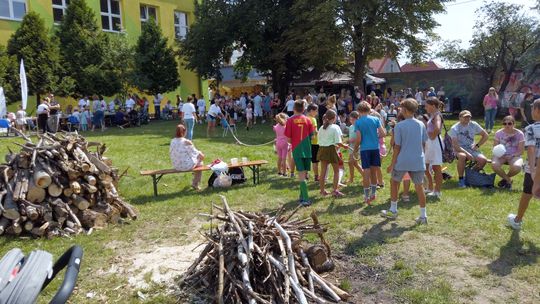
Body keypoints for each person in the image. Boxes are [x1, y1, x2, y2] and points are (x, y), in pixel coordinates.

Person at [383, 98, 428, 224]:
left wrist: (392, 164)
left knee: (394, 182)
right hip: (418, 160)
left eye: (401, 108)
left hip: (402, 160)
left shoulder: (399, 126)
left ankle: (393, 210)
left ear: (406, 110)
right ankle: (423, 216)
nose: (400, 110)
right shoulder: (421, 124)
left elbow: (397, 147)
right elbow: (424, 143)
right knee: (419, 187)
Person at [508, 99, 540, 229]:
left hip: (535, 167)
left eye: (532, 109)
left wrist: (532, 170)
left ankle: (517, 220)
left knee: (527, 193)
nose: (531, 111)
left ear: (537, 111)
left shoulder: (531, 128)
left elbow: (531, 149)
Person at [354, 101, 386, 204]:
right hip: (375, 148)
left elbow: (358, 138)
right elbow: (383, 133)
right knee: (374, 172)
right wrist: (375, 138)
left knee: (366, 172)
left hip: (365, 149)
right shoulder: (376, 119)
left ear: (358, 111)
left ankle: (366, 196)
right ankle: (373, 194)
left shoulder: (358, 122)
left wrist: (355, 149)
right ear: (369, 109)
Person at [284, 100, 315, 206]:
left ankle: (305, 199)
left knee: (301, 175)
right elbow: (313, 136)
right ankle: (302, 196)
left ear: (294, 109)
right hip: (307, 149)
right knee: (305, 173)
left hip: (297, 149)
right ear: (304, 109)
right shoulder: (308, 120)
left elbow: (288, 139)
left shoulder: (290, 120)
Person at [450, 110, 489, 188]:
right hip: (459, 149)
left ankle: (470, 176)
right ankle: (461, 179)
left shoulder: (473, 124)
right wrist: (467, 154)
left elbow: (485, 135)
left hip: (471, 148)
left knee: (483, 160)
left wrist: (477, 145)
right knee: (462, 156)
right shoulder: (454, 128)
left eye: (469, 117)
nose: (467, 119)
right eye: (465, 117)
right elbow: (455, 145)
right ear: (460, 118)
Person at [317, 110, 349, 197]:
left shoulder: (321, 128)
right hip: (331, 149)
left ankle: (322, 191)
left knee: (323, 171)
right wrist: (344, 146)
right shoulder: (334, 128)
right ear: (334, 118)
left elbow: (319, 141)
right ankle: (335, 190)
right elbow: (338, 142)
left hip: (322, 149)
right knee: (336, 171)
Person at [492, 115, 524, 190]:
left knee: (517, 167)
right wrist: (502, 155)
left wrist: (512, 155)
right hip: (500, 155)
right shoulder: (498, 133)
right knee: (494, 165)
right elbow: (495, 147)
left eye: (509, 123)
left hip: (514, 155)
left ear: (514, 124)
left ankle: (505, 179)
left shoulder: (520, 134)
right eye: (504, 124)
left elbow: (521, 151)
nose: (507, 125)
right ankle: (509, 180)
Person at [170, 124, 205, 190]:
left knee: (196, 159)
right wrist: (201, 155)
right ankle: (195, 183)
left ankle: (194, 176)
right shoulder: (186, 142)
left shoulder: (172, 141)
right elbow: (196, 153)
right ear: (184, 132)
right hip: (185, 166)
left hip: (176, 165)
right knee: (200, 163)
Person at [424, 97, 444, 199]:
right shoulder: (432, 115)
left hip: (435, 143)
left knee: (436, 168)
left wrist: (432, 136)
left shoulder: (437, 116)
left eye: (427, 106)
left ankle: (437, 191)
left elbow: (437, 128)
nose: (425, 107)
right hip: (430, 143)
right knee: (425, 167)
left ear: (432, 106)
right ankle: (430, 188)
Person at [347, 111, 363, 184]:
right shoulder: (351, 127)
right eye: (350, 120)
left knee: (353, 163)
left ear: (357, 119)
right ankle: (351, 178)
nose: (351, 121)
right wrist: (348, 141)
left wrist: (353, 140)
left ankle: (364, 176)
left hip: (356, 147)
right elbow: (351, 137)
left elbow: (361, 137)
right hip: (351, 147)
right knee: (352, 163)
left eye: (353, 120)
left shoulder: (359, 126)